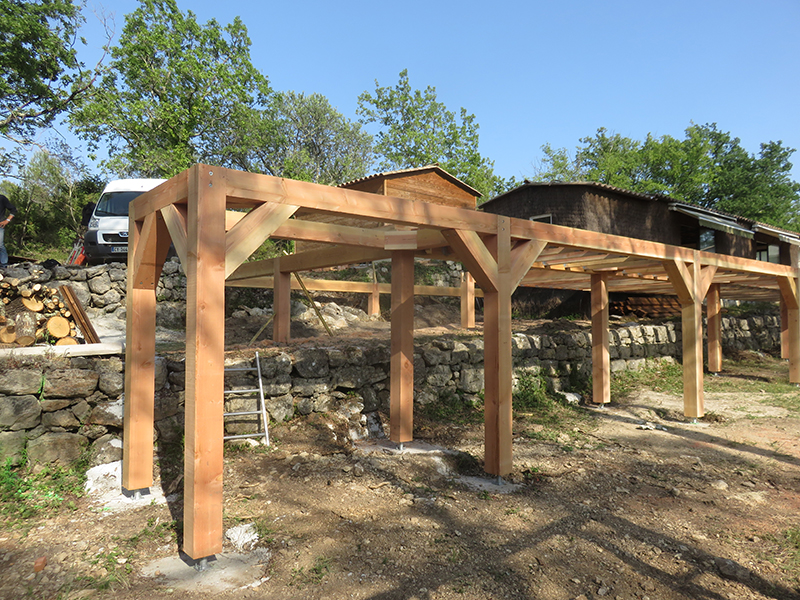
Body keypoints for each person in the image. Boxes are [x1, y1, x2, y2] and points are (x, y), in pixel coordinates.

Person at [0, 193, 17, 267]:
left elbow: (13, 209)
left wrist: (7, 220)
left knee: (0, 245)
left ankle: (4, 265)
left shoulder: (2, 198)